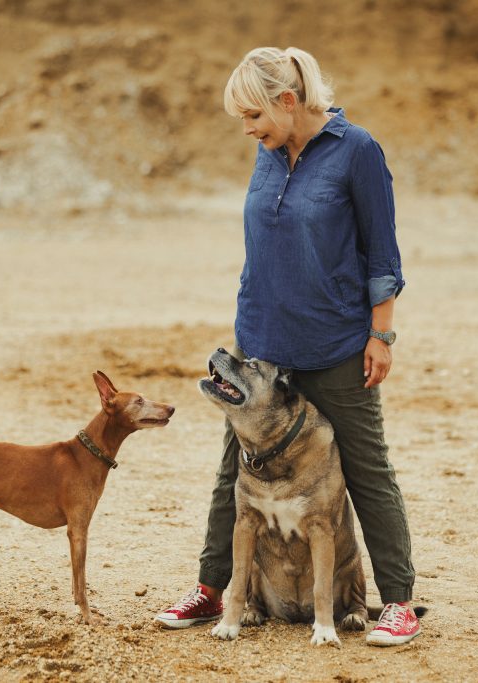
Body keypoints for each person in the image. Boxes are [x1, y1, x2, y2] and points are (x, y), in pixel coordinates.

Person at [155, 46, 420, 646]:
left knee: (367, 469)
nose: (248, 130)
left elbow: (383, 255)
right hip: (262, 349)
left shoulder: (358, 151)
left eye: (254, 117)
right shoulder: (268, 153)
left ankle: (398, 601)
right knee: (235, 474)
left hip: (335, 344)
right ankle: (214, 588)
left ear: (287, 100)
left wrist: (381, 334)